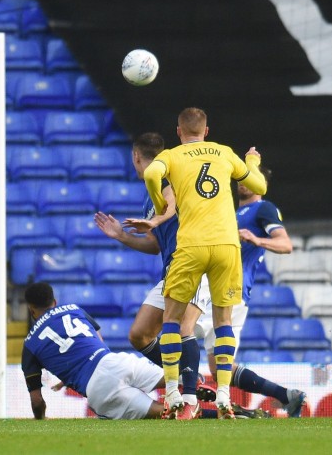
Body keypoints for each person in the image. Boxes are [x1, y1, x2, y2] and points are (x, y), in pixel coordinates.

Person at [143, 107, 266, 419]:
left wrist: (159, 205)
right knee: (223, 323)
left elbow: (150, 174)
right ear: (206, 131)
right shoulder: (225, 153)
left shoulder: (171, 156)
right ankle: (223, 393)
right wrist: (252, 162)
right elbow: (260, 186)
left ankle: (173, 392)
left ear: (179, 131)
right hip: (226, 246)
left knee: (171, 321)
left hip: (191, 246)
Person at [94, 132, 210, 419]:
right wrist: (121, 236)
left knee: (183, 328)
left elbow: (171, 202)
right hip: (170, 268)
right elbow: (156, 244)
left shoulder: (168, 178)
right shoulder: (151, 194)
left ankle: (189, 399)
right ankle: (186, 377)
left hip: (192, 261)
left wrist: (157, 218)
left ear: (135, 156)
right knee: (140, 334)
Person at [195, 167, 306, 417]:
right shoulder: (236, 213)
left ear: (262, 185)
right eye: (242, 179)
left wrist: (257, 240)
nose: (243, 183)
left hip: (230, 289)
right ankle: (286, 396)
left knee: (180, 330)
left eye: (252, 179)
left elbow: (285, 244)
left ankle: (183, 395)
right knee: (218, 366)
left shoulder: (263, 209)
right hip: (221, 287)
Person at [22, 282, 167, 420]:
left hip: (98, 389)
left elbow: (36, 401)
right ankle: (189, 396)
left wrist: (40, 418)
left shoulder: (29, 344)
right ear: (54, 301)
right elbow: (98, 341)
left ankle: (175, 411)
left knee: (164, 413)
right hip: (114, 362)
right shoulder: (74, 309)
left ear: (31, 310)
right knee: (175, 378)